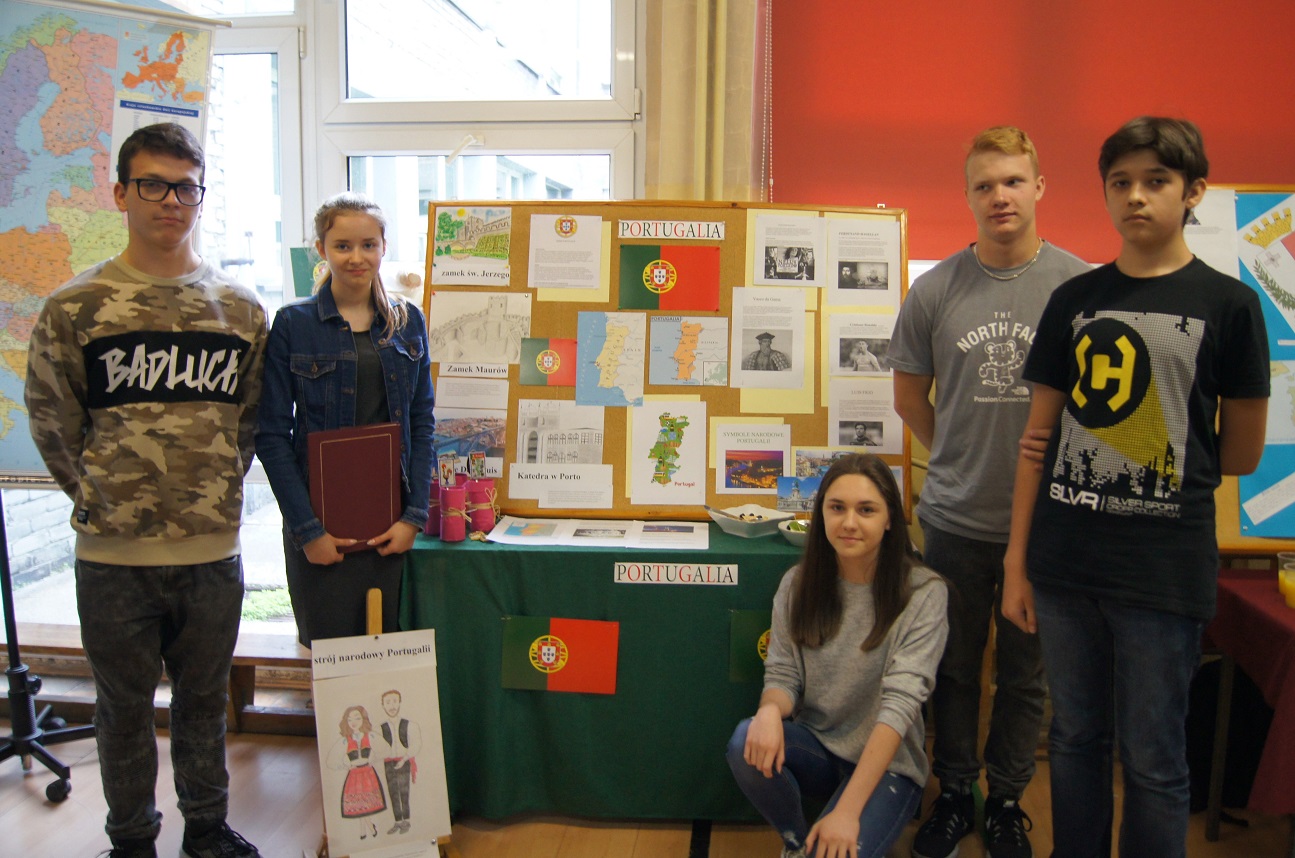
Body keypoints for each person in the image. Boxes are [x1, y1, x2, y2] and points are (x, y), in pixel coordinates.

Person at [1002, 117, 1270, 858]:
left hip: (1162, 573)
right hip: (1065, 566)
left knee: (1153, 758)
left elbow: (1242, 451)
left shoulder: (1230, 305)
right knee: (1074, 739)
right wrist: (1016, 562)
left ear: (1194, 191)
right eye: (1120, 183)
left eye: (1156, 181)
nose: (1135, 197)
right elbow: (1036, 444)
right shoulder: (1074, 299)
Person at [24, 122, 267, 858]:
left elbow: (250, 421)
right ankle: (130, 840)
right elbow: (52, 419)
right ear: (121, 193)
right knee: (122, 709)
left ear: (201, 196)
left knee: (203, 702)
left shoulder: (241, 310)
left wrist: (213, 495)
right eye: (153, 184)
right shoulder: (76, 306)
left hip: (210, 552)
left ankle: (206, 830)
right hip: (113, 557)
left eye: (185, 188)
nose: (170, 201)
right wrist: (96, 498)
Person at [887, 125, 1090, 858]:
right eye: (984, 185)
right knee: (953, 667)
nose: (999, 196)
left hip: (1047, 524)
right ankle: (954, 792)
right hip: (954, 519)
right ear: (968, 195)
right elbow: (908, 398)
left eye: (1012, 181)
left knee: (1026, 676)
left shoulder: (1081, 288)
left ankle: (1006, 800)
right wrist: (955, 453)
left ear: (1039, 187)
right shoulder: (934, 290)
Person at [725, 453, 948, 858]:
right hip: (821, 749)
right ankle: (796, 842)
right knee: (745, 740)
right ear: (821, 514)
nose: (849, 522)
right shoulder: (798, 584)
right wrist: (770, 710)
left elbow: (899, 707)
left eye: (866, 510)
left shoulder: (924, 593)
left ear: (890, 519)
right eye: (837, 508)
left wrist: (847, 812)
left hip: (889, 766)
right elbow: (783, 675)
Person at [256, 192, 436, 647]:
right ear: (321, 249)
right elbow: (271, 435)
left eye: (368, 245)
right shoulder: (293, 324)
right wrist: (308, 532)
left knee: (392, 659)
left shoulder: (408, 321)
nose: (357, 257)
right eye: (342, 246)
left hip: (392, 526)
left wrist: (413, 518)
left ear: (383, 246)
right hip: (320, 527)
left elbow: (422, 422)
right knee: (332, 664)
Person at [327, 705, 387, 842]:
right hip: (354, 776)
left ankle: (363, 831)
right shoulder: (344, 740)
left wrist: (373, 758)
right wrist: (346, 766)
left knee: (365, 803)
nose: (353, 722)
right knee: (358, 804)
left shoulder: (370, 736)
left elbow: (386, 749)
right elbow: (330, 761)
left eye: (357, 718)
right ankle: (370, 827)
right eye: (350, 720)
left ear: (363, 719)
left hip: (368, 774)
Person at [378, 689, 422, 835]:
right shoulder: (379, 728)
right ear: (383, 705)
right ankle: (397, 821)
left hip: (404, 761)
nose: (392, 706)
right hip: (388, 763)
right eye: (388, 702)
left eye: (395, 701)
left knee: (404, 791)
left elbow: (416, 744)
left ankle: (406, 821)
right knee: (393, 792)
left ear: (400, 702)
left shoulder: (410, 725)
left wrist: (404, 758)